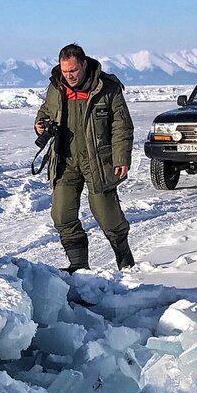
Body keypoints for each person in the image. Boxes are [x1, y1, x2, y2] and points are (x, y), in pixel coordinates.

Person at [34, 43, 135, 272]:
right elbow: (45, 111)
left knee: (106, 214)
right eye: (65, 71)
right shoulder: (55, 87)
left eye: (73, 71)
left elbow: (122, 126)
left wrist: (121, 158)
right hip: (65, 160)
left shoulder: (107, 88)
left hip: (98, 160)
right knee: (61, 215)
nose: (69, 76)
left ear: (84, 65)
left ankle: (124, 257)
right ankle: (79, 266)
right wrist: (39, 125)